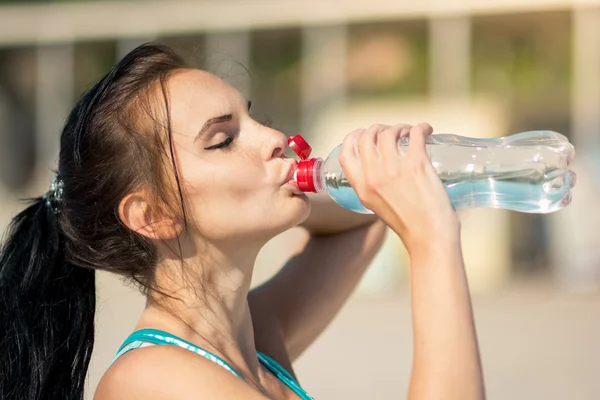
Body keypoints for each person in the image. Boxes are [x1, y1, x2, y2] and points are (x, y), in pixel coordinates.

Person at [0, 43, 485, 400]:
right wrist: (432, 238)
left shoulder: (256, 340)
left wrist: (345, 180)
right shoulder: (151, 383)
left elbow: (361, 224)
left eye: (253, 119)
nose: (275, 137)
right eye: (222, 140)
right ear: (153, 214)